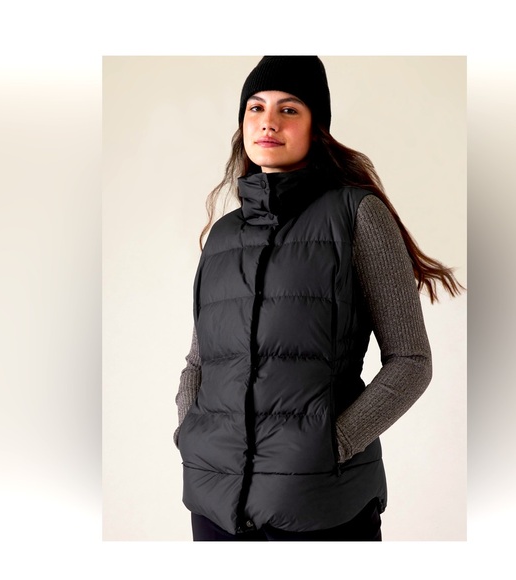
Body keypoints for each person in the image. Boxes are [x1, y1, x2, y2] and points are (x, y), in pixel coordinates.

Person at [174, 56, 464, 541]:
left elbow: (411, 361)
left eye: (289, 109)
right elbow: (199, 362)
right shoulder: (222, 237)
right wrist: (191, 435)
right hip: (214, 504)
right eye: (255, 107)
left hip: (321, 504)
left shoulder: (358, 215)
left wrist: (333, 445)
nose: (268, 121)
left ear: (317, 127)